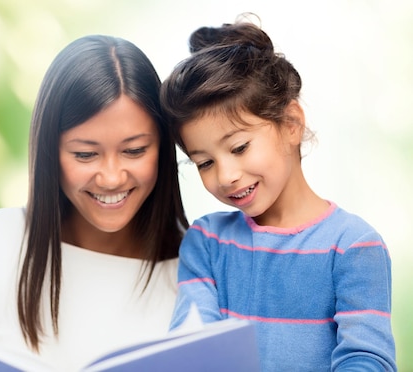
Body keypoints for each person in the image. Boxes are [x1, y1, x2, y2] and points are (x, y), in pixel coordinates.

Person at [159, 18, 396, 371]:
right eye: (204, 162)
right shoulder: (207, 243)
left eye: (239, 147)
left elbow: (366, 360)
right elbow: (194, 350)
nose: (226, 176)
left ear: (291, 124)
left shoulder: (353, 246)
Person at [0, 34, 188, 371]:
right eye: (85, 154)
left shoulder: (194, 269)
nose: (112, 178)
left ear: (162, 148)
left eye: (134, 150)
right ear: (50, 153)